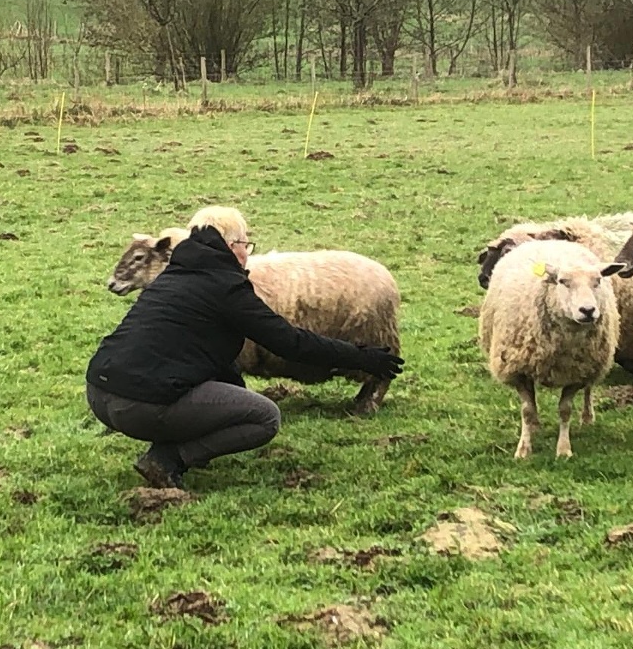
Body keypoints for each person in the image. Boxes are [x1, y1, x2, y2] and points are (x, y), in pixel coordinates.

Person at [86, 206, 404, 488]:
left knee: (213, 389)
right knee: (264, 416)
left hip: (99, 395)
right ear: (229, 246)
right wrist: (362, 356)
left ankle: (175, 433)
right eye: (244, 244)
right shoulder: (226, 288)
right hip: (139, 406)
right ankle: (168, 458)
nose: (247, 252)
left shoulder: (173, 276)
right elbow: (290, 342)